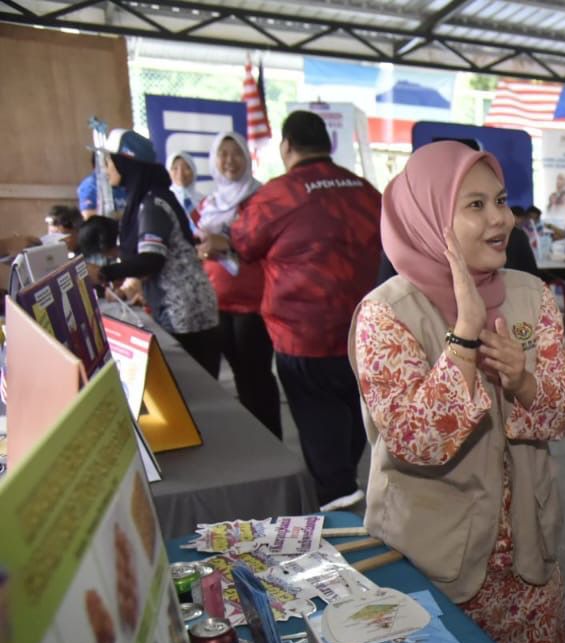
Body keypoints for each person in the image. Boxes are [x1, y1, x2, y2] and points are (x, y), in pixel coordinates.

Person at [353, 141, 565, 643]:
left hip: (528, 566)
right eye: (475, 205)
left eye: (501, 201)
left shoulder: (531, 295)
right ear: (429, 217)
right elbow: (417, 444)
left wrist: (523, 380)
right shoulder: (386, 314)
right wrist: (462, 338)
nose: (499, 219)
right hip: (430, 569)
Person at [202, 111, 382, 511]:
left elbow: (244, 245)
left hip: (304, 334)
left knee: (318, 418)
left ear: (286, 146)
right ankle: (344, 482)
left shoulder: (276, 196)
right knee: (352, 407)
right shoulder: (367, 191)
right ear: (329, 145)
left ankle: (336, 498)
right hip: (363, 331)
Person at [93, 129, 221, 376]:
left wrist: (104, 272)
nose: (106, 168)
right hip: (182, 308)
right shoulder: (150, 198)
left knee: (198, 393)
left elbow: (152, 259)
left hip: (185, 312)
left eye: (109, 161)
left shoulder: (152, 204)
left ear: (125, 163)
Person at [194, 131, 282, 438]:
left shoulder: (262, 198)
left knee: (254, 376)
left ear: (247, 158)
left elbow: (269, 243)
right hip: (214, 301)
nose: (230, 161)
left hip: (252, 303)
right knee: (226, 378)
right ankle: (248, 441)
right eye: (223, 154)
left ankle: (270, 440)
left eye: (236, 153)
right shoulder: (208, 203)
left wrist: (228, 243)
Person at [168, 152, 203, 222]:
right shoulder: (165, 200)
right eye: (175, 168)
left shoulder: (203, 200)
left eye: (186, 167)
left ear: (193, 171)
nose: (180, 173)